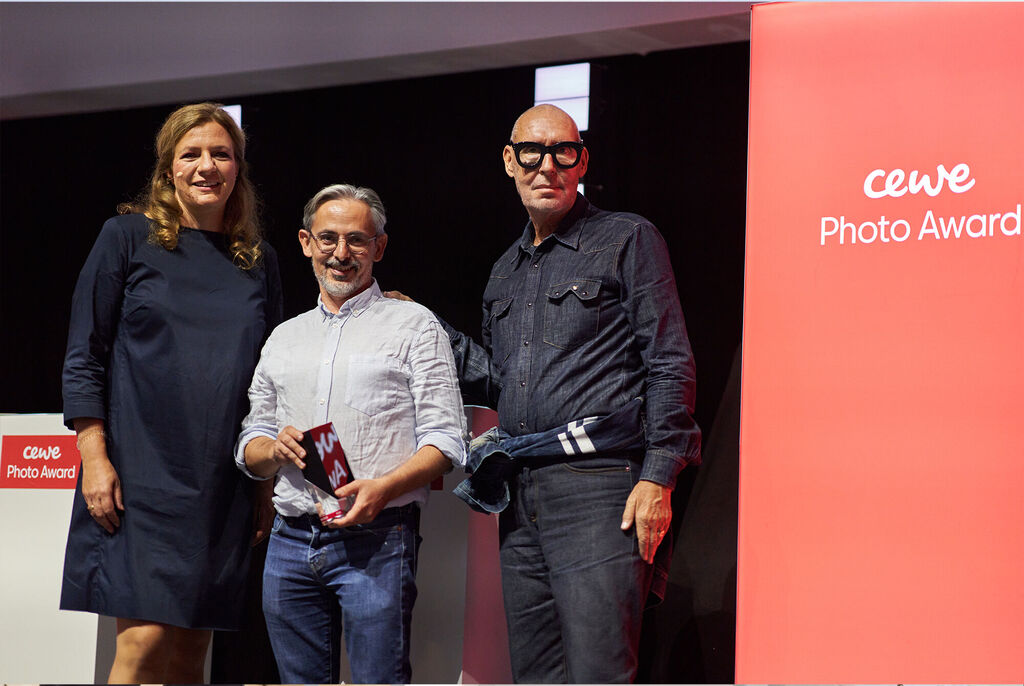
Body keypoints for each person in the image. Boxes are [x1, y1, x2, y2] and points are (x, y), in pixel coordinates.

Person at [389, 104, 701, 682]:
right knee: (535, 676)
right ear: (510, 161)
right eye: (532, 153)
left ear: (582, 162)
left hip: (600, 488)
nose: (547, 166)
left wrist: (659, 476)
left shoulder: (627, 238)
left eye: (563, 152)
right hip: (519, 492)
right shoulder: (504, 271)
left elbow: (669, 360)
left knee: (599, 672)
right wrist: (425, 328)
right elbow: (501, 382)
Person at [60, 102, 283, 683]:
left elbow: (270, 380)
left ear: (238, 168)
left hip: (221, 481)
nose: (207, 166)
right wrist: (93, 458)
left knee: (190, 652)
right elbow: (85, 354)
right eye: (192, 154)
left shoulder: (258, 261)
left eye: (221, 154)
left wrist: (263, 484)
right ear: (167, 169)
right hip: (138, 474)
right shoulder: (126, 238)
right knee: (144, 646)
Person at [236, 183, 466, 684]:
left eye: (356, 240)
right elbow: (250, 442)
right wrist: (274, 449)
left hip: (378, 537)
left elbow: (447, 441)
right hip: (290, 539)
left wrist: (383, 489)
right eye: (328, 238)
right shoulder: (284, 337)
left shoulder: (415, 325)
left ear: (378, 248)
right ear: (305, 242)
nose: (341, 253)